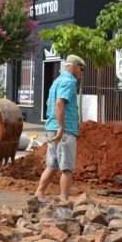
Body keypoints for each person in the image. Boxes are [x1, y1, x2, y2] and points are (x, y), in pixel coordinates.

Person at [34, 54, 86, 202]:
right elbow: (58, 103)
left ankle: (39, 193)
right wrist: (61, 127)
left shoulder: (57, 81)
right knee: (67, 168)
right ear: (75, 65)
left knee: (52, 165)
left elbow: (48, 104)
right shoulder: (68, 82)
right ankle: (64, 200)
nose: (81, 72)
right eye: (81, 68)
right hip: (63, 131)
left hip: (52, 128)